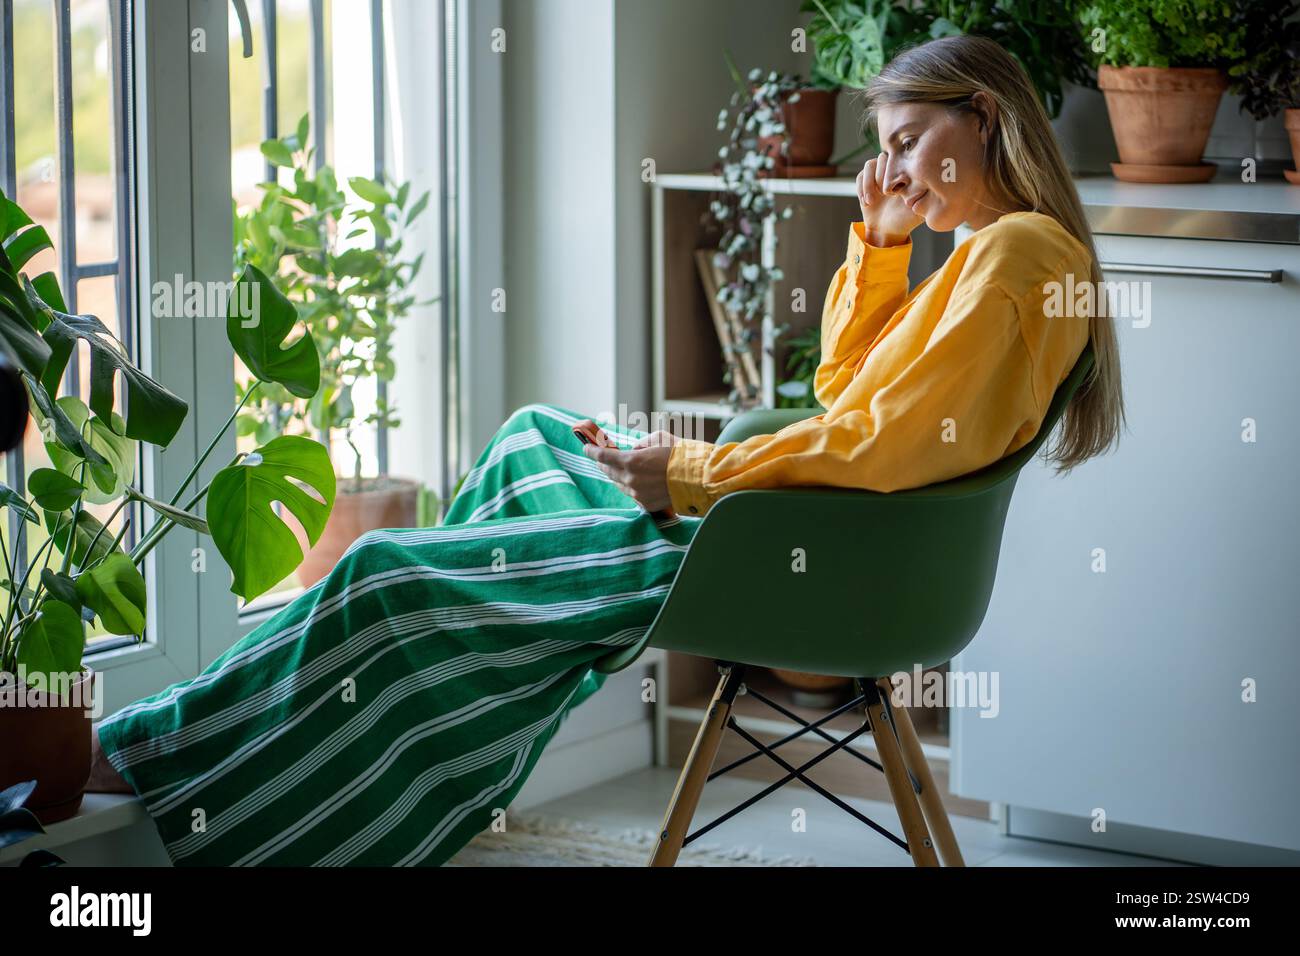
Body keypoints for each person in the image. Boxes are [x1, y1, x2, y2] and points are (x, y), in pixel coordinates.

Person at [87, 34, 1122, 865]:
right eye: (883, 146)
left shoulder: (1017, 256)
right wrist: (883, 247)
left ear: (980, 117)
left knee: (377, 574)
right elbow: (848, 397)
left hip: (804, 558)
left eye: (904, 141)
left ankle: (150, 752)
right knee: (534, 434)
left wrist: (685, 469)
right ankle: (442, 688)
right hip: (823, 538)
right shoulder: (992, 254)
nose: (888, 168)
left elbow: (875, 443)